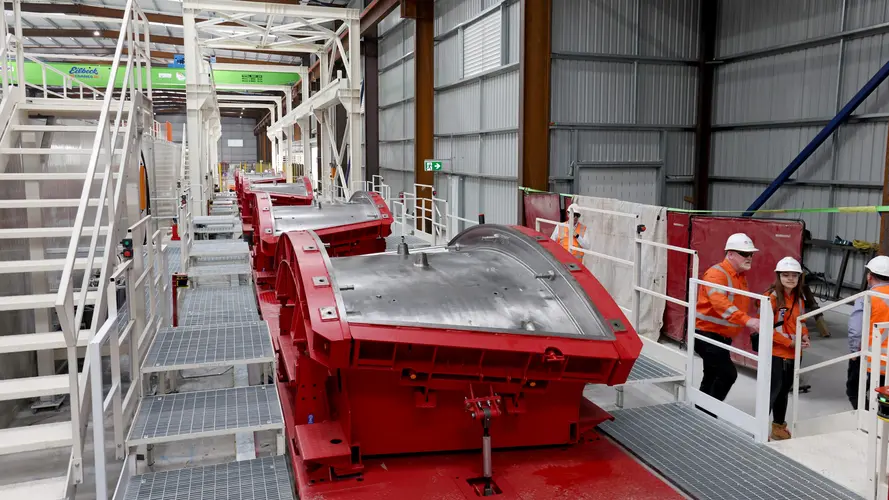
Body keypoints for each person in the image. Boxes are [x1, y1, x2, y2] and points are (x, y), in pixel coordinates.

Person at [694, 233, 761, 404]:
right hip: (706, 335)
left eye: (751, 254)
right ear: (730, 254)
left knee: (711, 375)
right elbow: (721, 304)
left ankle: (700, 411)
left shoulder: (740, 277)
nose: (749, 257)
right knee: (728, 374)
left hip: (722, 337)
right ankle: (710, 411)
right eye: (744, 254)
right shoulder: (716, 274)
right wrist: (747, 321)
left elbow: (739, 305)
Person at [763, 257, 810, 440]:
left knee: (783, 391)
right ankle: (760, 428)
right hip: (777, 354)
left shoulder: (799, 298)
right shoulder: (771, 297)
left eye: (794, 275)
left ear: (799, 277)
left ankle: (778, 427)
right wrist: (789, 343)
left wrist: (804, 335)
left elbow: (802, 321)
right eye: (786, 275)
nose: (790, 278)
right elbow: (766, 328)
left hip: (794, 353)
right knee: (772, 392)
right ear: (778, 276)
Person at [846, 255, 889, 410]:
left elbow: (855, 330)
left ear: (869, 276)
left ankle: (865, 420)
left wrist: (854, 352)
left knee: (854, 390)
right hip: (887, 361)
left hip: (869, 358)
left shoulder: (867, 298)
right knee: (885, 395)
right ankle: (882, 421)